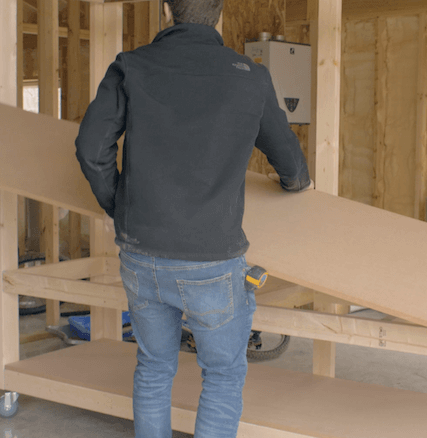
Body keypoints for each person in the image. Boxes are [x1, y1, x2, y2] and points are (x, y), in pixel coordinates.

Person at [74, 0, 311, 436]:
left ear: (167, 11)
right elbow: (294, 170)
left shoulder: (131, 66)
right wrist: (293, 187)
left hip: (140, 254)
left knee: (153, 367)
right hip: (212, 263)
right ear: (218, 16)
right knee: (221, 376)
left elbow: (91, 149)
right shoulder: (250, 76)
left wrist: (119, 206)